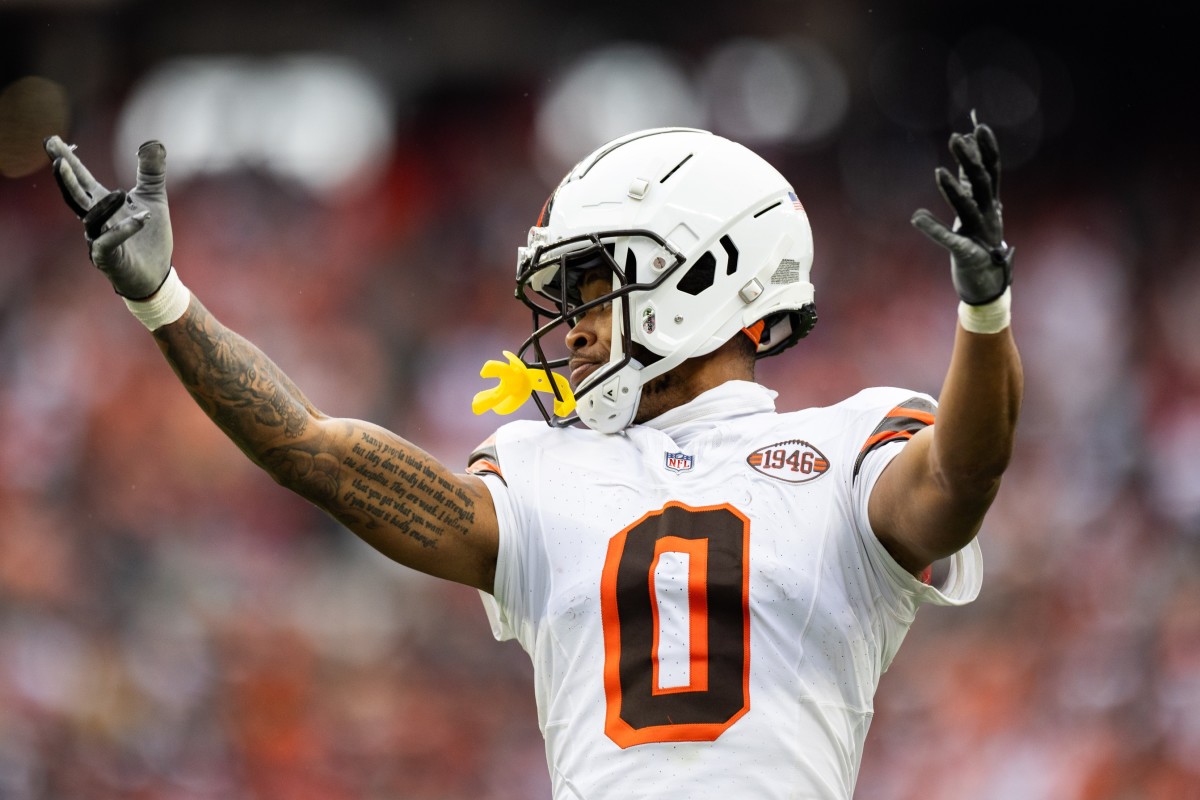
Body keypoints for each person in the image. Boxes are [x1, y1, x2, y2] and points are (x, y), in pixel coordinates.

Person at [44, 120, 1022, 799]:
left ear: (707, 274)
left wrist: (984, 317)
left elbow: (957, 481)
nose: (574, 324)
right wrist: (165, 300)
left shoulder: (848, 439)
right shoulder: (547, 465)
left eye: (597, 286)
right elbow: (312, 448)